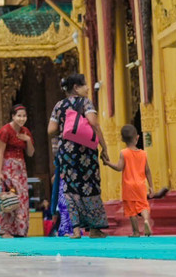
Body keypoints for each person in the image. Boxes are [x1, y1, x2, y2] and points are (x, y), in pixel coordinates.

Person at [47, 73, 110, 239]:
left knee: (70, 188)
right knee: (91, 187)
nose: (88, 88)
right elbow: (94, 123)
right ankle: (95, 229)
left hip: (67, 153)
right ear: (76, 87)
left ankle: (75, 230)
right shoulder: (85, 103)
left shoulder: (59, 105)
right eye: (85, 85)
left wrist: (66, 128)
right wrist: (104, 147)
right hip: (86, 152)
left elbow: (50, 130)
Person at [105, 124, 154, 237]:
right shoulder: (143, 154)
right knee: (143, 206)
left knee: (131, 209)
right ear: (137, 137)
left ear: (122, 139)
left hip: (128, 186)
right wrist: (151, 186)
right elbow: (148, 171)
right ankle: (146, 220)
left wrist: (107, 163)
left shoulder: (124, 153)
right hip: (141, 185)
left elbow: (119, 167)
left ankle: (136, 231)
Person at [0, 105, 35, 237]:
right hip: (8, 168)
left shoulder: (26, 131)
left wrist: (28, 140)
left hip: (21, 169)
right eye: (19, 116)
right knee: (10, 199)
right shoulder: (5, 131)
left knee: (22, 199)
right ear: (13, 116)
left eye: (24, 116)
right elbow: (0, 153)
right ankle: (5, 230)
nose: (22, 118)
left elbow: (30, 153)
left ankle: (20, 230)